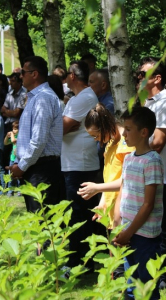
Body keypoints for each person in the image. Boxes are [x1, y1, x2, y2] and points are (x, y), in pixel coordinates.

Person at [138, 57, 166, 289]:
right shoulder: (149, 103)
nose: (138, 77)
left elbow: (157, 143)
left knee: (162, 228)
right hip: (148, 175)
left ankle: (164, 277)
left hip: (162, 176)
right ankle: (154, 270)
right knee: (151, 227)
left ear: (157, 78)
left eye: (142, 73)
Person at [114, 105, 163, 300]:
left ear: (144, 132)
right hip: (128, 231)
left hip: (144, 235)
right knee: (131, 283)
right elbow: (122, 191)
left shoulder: (152, 160)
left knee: (146, 285)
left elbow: (148, 204)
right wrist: (118, 223)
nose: (123, 133)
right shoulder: (128, 159)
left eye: (128, 129)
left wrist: (129, 232)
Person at [10, 56, 64, 213]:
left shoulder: (43, 98)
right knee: (38, 223)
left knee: (44, 224)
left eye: (23, 72)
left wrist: (21, 166)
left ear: (34, 74)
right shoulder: (36, 97)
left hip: (42, 170)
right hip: (35, 168)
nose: (21, 76)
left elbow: (39, 140)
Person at [62, 60, 100, 271]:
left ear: (73, 76)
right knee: (81, 213)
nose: (65, 78)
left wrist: (61, 123)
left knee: (79, 214)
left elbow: (62, 128)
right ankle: (85, 260)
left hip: (80, 163)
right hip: (75, 162)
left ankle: (78, 262)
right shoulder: (77, 99)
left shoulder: (83, 98)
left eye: (67, 74)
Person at [77, 103, 134, 227]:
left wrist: (97, 188)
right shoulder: (111, 143)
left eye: (96, 135)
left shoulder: (126, 145)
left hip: (126, 210)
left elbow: (127, 181)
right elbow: (110, 178)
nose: (95, 139)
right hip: (112, 211)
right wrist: (103, 203)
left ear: (104, 127)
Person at [4, 121, 21, 197]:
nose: (13, 131)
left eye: (15, 129)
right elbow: (5, 143)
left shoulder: (20, 137)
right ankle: (10, 191)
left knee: (18, 175)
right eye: (13, 129)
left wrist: (11, 135)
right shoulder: (14, 136)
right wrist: (7, 137)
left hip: (19, 159)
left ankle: (20, 190)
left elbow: (13, 141)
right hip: (12, 158)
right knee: (10, 175)